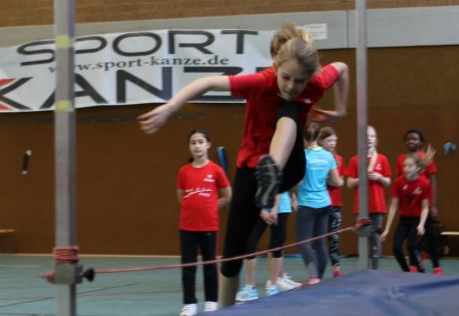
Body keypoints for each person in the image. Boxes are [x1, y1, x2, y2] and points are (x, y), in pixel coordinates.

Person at [139, 23, 349, 307]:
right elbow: (208, 82)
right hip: (252, 172)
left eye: (299, 81)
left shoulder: (316, 83)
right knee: (232, 256)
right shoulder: (261, 82)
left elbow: (342, 67)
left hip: (289, 166)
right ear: (275, 66)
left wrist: (341, 110)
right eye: (286, 78)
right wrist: (171, 106)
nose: (291, 86)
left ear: (310, 77)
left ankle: (272, 171)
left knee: (289, 110)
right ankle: (224, 309)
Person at [176, 129, 232, 316]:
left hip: (209, 226)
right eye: (193, 142)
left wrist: (212, 206)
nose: (197, 146)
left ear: (208, 144)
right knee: (188, 267)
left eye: (200, 142)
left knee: (210, 266)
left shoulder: (216, 170)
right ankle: (189, 304)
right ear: (189, 147)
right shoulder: (184, 171)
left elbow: (228, 195)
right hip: (187, 227)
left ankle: (211, 302)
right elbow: (181, 196)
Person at [296, 123, 342, 284]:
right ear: (318, 137)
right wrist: (322, 179)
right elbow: (337, 181)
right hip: (324, 204)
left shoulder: (302, 156)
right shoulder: (328, 156)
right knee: (320, 243)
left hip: (307, 204)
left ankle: (313, 276)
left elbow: (299, 182)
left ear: (304, 137)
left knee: (304, 242)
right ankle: (319, 279)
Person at [235, 191, 301, 302]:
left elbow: (280, 186)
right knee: (249, 246)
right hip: (260, 207)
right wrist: (262, 212)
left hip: (280, 208)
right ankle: (250, 288)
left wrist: (275, 208)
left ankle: (273, 286)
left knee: (277, 247)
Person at [395, 129, 444, 274]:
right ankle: (414, 265)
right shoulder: (401, 159)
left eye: (414, 139)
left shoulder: (425, 158)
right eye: (408, 139)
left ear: (421, 142)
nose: (411, 141)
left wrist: (433, 204)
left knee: (429, 234)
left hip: (423, 204)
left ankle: (436, 265)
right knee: (411, 239)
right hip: (409, 206)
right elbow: (399, 182)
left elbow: (432, 181)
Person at [345, 125, 391, 268]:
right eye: (366, 136)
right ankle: (364, 269)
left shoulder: (382, 159)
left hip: (377, 206)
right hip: (361, 207)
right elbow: (349, 183)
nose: (369, 139)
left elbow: (388, 182)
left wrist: (379, 177)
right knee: (363, 238)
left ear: (376, 139)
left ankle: (375, 270)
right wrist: (361, 179)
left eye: (372, 136)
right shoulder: (355, 160)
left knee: (376, 238)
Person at [380, 153, 432, 272]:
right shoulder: (398, 182)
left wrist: (421, 224)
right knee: (396, 247)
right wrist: (387, 229)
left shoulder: (424, 183)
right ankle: (406, 271)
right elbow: (393, 206)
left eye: (410, 166)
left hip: (416, 219)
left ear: (418, 168)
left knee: (412, 246)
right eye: (405, 166)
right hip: (404, 219)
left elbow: (425, 207)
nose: (406, 169)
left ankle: (420, 268)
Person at [318, 126, 346, 278]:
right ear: (321, 141)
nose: (332, 143)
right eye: (329, 140)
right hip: (320, 203)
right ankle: (317, 271)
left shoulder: (339, 159)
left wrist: (333, 180)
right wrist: (333, 180)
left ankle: (336, 269)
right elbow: (330, 180)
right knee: (318, 238)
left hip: (335, 204)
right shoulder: (317, 158)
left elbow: (340, 181)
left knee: (334, 238)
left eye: (335, 140)